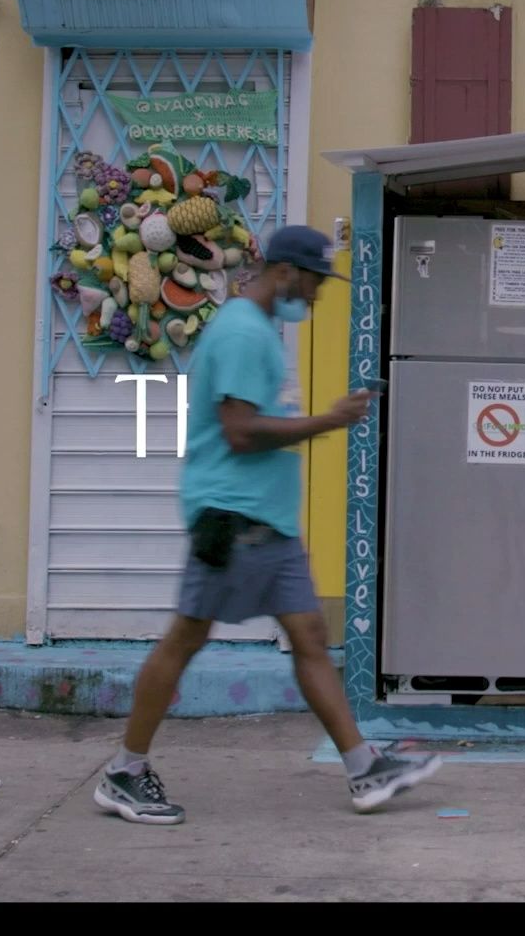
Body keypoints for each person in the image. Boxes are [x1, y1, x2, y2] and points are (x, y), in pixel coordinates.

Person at [94, 224, 440, 825]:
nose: (316, 297)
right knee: (185, 640)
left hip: (266, 524)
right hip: (231, 520)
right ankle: (124, 771)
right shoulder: (242, 335)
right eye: (314, 284)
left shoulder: (255, 331)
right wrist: (327, 421)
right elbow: (241, 431)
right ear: (287, 273)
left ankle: (364, 769)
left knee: (308, 637)